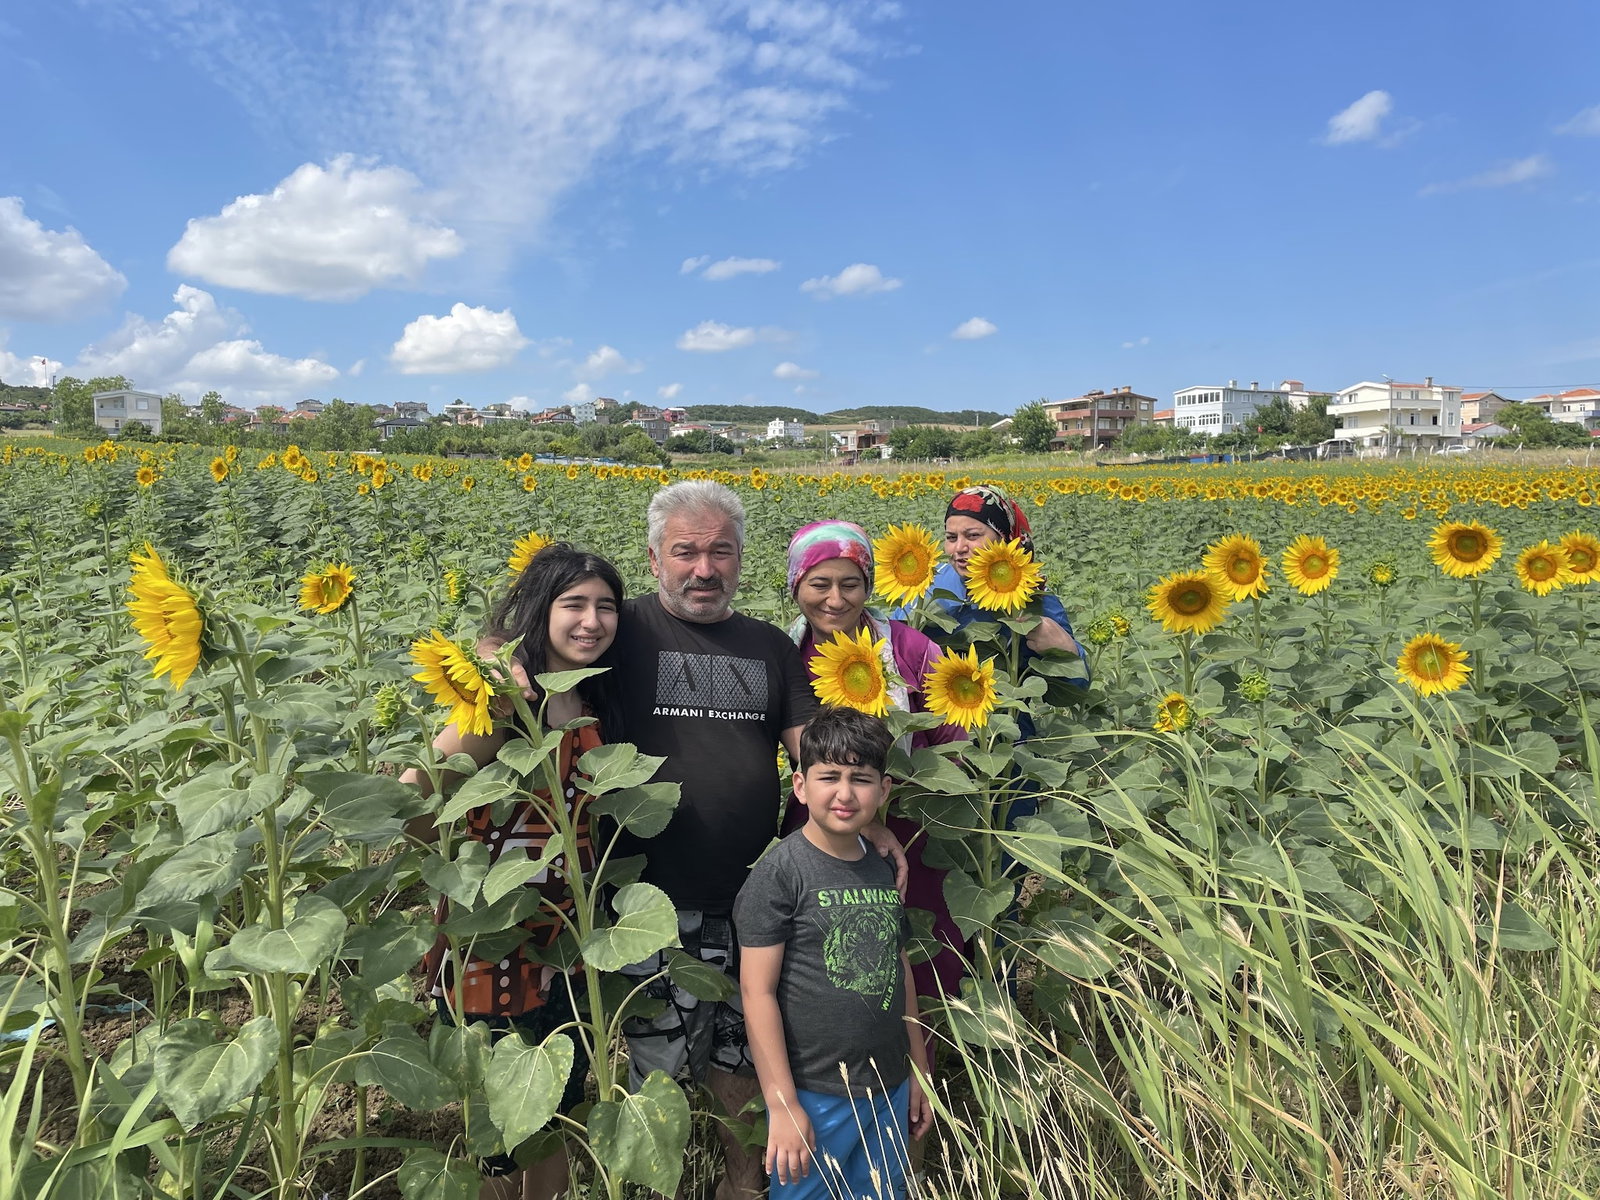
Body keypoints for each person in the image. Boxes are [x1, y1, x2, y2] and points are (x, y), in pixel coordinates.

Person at [488, 481, 908, 1200]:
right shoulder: (622, 629)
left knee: (741, 1062)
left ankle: (742, 1187)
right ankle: (659, 1187)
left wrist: (872, 820)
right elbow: (525, 634)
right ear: (655, 559)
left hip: (755, 898)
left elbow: (815, 749)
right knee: (656, 1070)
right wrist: (492, 649)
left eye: (720, 551)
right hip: (643, 900)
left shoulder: (769, 646)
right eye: (685, 552)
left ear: (742, 560)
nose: (703, 568)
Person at [402, 543, 624, 1200]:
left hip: (569, 940)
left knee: (555, 1110)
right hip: (492, 941)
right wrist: (487, 686)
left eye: (605, 607)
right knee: (497, 1131)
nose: (591, 621)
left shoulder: (592, 694)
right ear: (538, 611)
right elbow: (415, 801)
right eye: (573, 605)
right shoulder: (503, 703)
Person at [735, 706, 933, 1200]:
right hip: (815, 1093)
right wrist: (782, 1106)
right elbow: (756, 993)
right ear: (800, 786)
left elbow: (899, 970)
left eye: (861, 779)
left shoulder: (880, 866)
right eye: (829, 777)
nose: (845, 794)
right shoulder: (781, 873)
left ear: (883, 791)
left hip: (888, 1086)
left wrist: (919, 1070)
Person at [785, 520, 969, 1022]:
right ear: (795, 586)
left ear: (869, 585)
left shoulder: (908, 648)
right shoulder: (785, 655)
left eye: (851, 584)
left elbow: (954, 736)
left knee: (924, 946)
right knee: (835, 958)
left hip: (913, 827)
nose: (836, 600)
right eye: (819, 584)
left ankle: (929, 1071)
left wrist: (927, 783)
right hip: (821, 826)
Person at [896, 483, 1089, 735]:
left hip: (1003, 734)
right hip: (933, 732)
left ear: (1003, 539)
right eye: (951, 538)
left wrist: (1068, 650)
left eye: (973, 536)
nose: (959, 548)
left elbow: (1075, 686)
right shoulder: (927, 587)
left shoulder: (1031, 598)